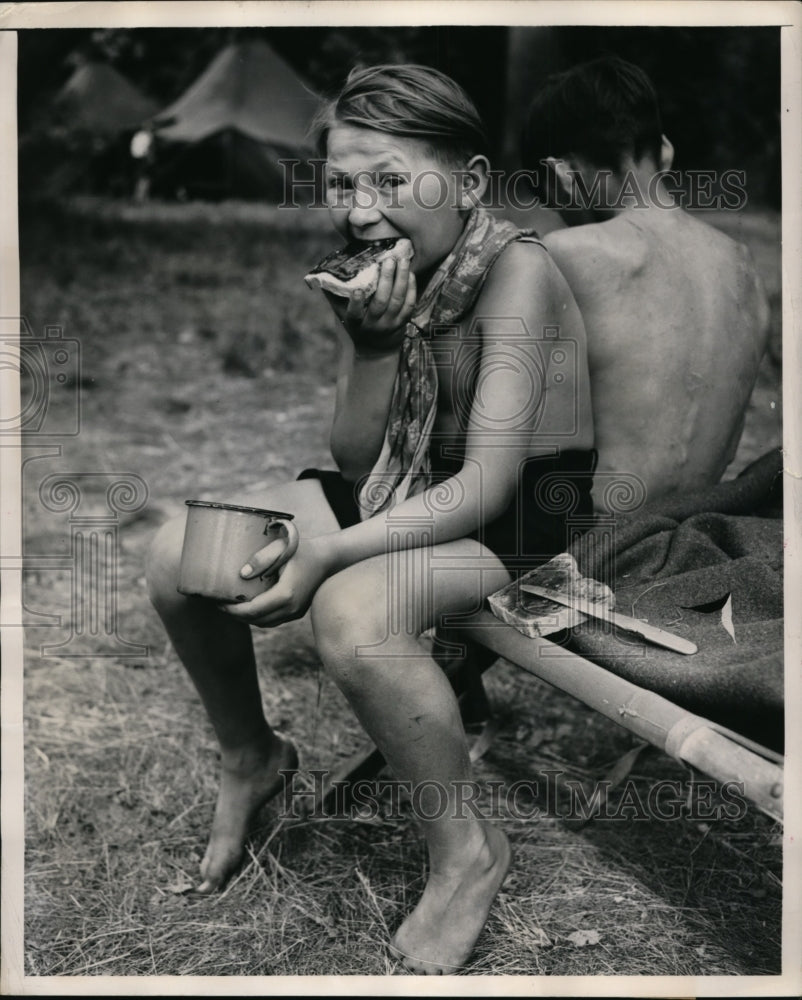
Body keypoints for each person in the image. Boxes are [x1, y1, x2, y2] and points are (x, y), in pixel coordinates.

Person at [146, 64, 594, 974]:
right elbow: (358, 457)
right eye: (343, 184)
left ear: (468, 183)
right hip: (405, 479)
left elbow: (484, 485)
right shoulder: (381, 271)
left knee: (352, 614)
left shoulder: (518, 272)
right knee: (177, 551)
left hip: (518, 509)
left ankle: (467, 851)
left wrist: (327, 554)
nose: (358, 209)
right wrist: (374, 344)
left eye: (389, 181)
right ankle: (252, 758)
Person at [522, 55, 770, 507]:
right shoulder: (746, 269)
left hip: (600, 543)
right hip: (693, 527)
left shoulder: (568, 253)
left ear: (562, 177)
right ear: (666, 151)